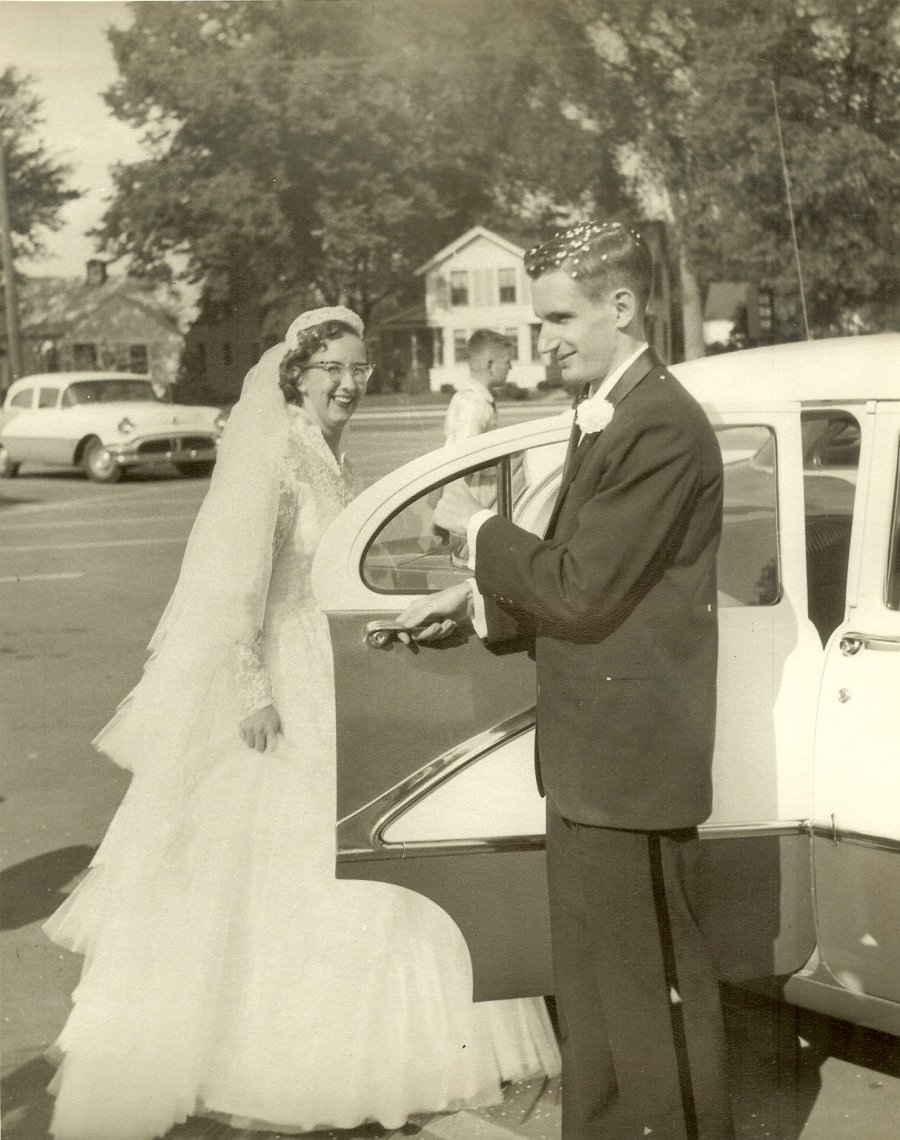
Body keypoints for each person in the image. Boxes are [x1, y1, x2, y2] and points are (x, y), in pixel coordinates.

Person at [43, 307, 560, 1140]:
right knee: (284, 853)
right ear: (297, 375)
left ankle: (370, 1047)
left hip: (330, 663)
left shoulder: (329, 453)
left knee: (363, 843)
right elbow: (235, 590)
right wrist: (253, 692)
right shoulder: (277, 457)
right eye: (333, 370)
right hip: (283, 673)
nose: (349, 384)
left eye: (359, 369)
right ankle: (270, 1057)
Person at [397, 223, 734, 1140]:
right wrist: (476, 606)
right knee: (597, 989)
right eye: (538, 321)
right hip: (595, 758)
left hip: (630, 761)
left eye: (558, 319)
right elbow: (595, 582)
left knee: (640, 990)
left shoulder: (658, 423)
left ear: (621, 307)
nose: (542, 340)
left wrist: (476, 530)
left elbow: (582, 590)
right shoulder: (613, 413)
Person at [443, 328, 511, 446]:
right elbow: (465, 452)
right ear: (490, 365)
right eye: (507, 362)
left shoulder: (473, 398)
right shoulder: (475, 404)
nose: (510, 367)